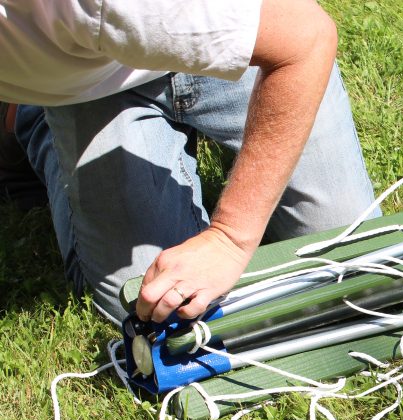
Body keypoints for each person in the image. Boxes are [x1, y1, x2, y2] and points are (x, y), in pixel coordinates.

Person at [0, 0, 378, 324]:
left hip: (259, 38)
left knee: (353, 265)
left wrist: (230, 238)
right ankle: (32, 109)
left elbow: (307, 39)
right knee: (148, 301)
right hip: (92, 77)